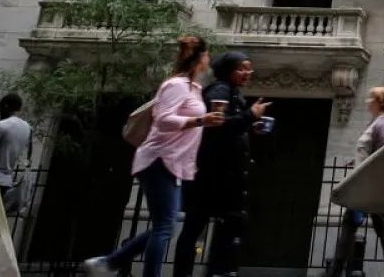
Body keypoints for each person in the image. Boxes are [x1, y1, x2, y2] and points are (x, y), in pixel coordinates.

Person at [84, 36, 225, 277]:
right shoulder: (176, 85)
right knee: (164, 227)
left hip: (173, 162)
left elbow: (186, 128)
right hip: (159, 158)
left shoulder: (194, 88)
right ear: (199, 58)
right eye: (206, 55)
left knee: (165, 226)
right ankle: (112, 264)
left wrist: (202, 129)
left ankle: (109, 263)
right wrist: (200, 120)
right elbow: (163, 119)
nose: (208, 59)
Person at [174, 52, 271, 276]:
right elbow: (218, 126)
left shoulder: (232, 92)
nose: (247, 73)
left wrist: (250, 123)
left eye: (250, 69)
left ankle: (219, 270)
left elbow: (229, 127)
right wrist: (250, 116)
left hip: (223, 176)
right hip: (213, 176)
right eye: (242, 69)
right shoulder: (219, 91)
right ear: (228, 70)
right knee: (200, 226)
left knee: (222, 223)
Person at [324, 87, 384, 277]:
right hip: (364, 186)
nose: (367, 101)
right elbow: (370, 151)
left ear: (379, 102)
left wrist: (365, 174)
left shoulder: (383, 124)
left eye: (371, 98)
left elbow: (383, 153)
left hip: (369, 188)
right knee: (372, 230)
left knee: (374, 231)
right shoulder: (376, 123)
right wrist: (355, 162)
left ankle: (336, 272)